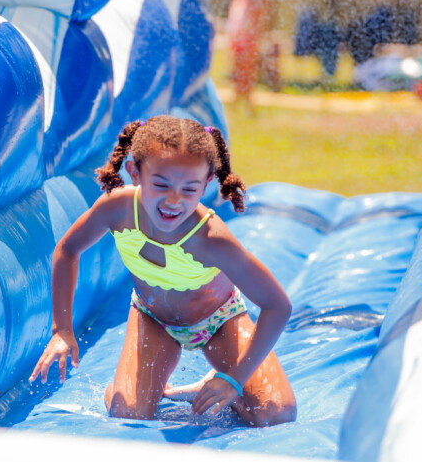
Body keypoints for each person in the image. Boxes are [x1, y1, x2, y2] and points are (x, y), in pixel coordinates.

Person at [29, 116, 297, 426]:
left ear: (207, 183)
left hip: (219, 322)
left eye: (189, 189)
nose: (174, 200)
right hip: (153, 318)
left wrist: (234, 380)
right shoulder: (117, 209)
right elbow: (67, 249)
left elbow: (278, 305)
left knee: (276, 413)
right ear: (134, 172)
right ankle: (126, 387)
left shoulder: (211, 240)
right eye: (161, 184)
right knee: (129, 414)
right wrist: (61, 329)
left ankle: (220, 380)